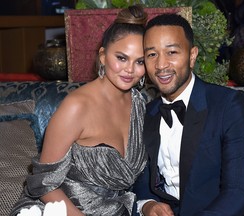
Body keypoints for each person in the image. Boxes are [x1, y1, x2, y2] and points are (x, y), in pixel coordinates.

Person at [10, 5, 147, 216]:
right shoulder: (76, 106)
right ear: (103, 56)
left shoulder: (140, 104)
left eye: (140, 61)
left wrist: (147, 204)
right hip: (57, 210)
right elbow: (43, 184)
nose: (130, 69)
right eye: (121, 58)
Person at [133, 13, 244, 215]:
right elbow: (142, 181)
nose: (160, 65)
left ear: (192, 56)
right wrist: (148, 205)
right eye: (152, 54)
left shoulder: (228, 106)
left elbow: (239, 194)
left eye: (172, 52)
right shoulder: (148, 113)